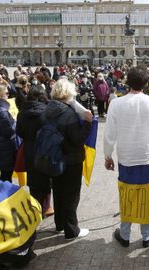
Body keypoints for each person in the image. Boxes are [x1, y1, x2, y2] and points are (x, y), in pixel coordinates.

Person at [104, 65, 149, 248]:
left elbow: (109, 134)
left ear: (127, 82)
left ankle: (125, 233)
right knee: (146, 193)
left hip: (126, 156)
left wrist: (107, 155)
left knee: (127, 193)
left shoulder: (116, 103)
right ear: (146, 83)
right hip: (147, 155)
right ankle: (146, 234)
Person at [44, 79, 92, 240]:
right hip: (70, 158)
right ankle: (72, 230)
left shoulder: (49, 108)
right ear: (68, 93)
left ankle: (59, 224)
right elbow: (77, 139)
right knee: (71, 194)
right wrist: (87, 123)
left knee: (58, 191)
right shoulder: (68, 113)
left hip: (54, 156)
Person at [16, 86, 54, 217]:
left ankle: (35, 208)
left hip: (29, 149)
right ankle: (45, 207)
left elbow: (19, 132)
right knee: (46, 179)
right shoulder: (47, 112)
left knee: (33, 178)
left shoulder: (22, 112)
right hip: (44, 150)